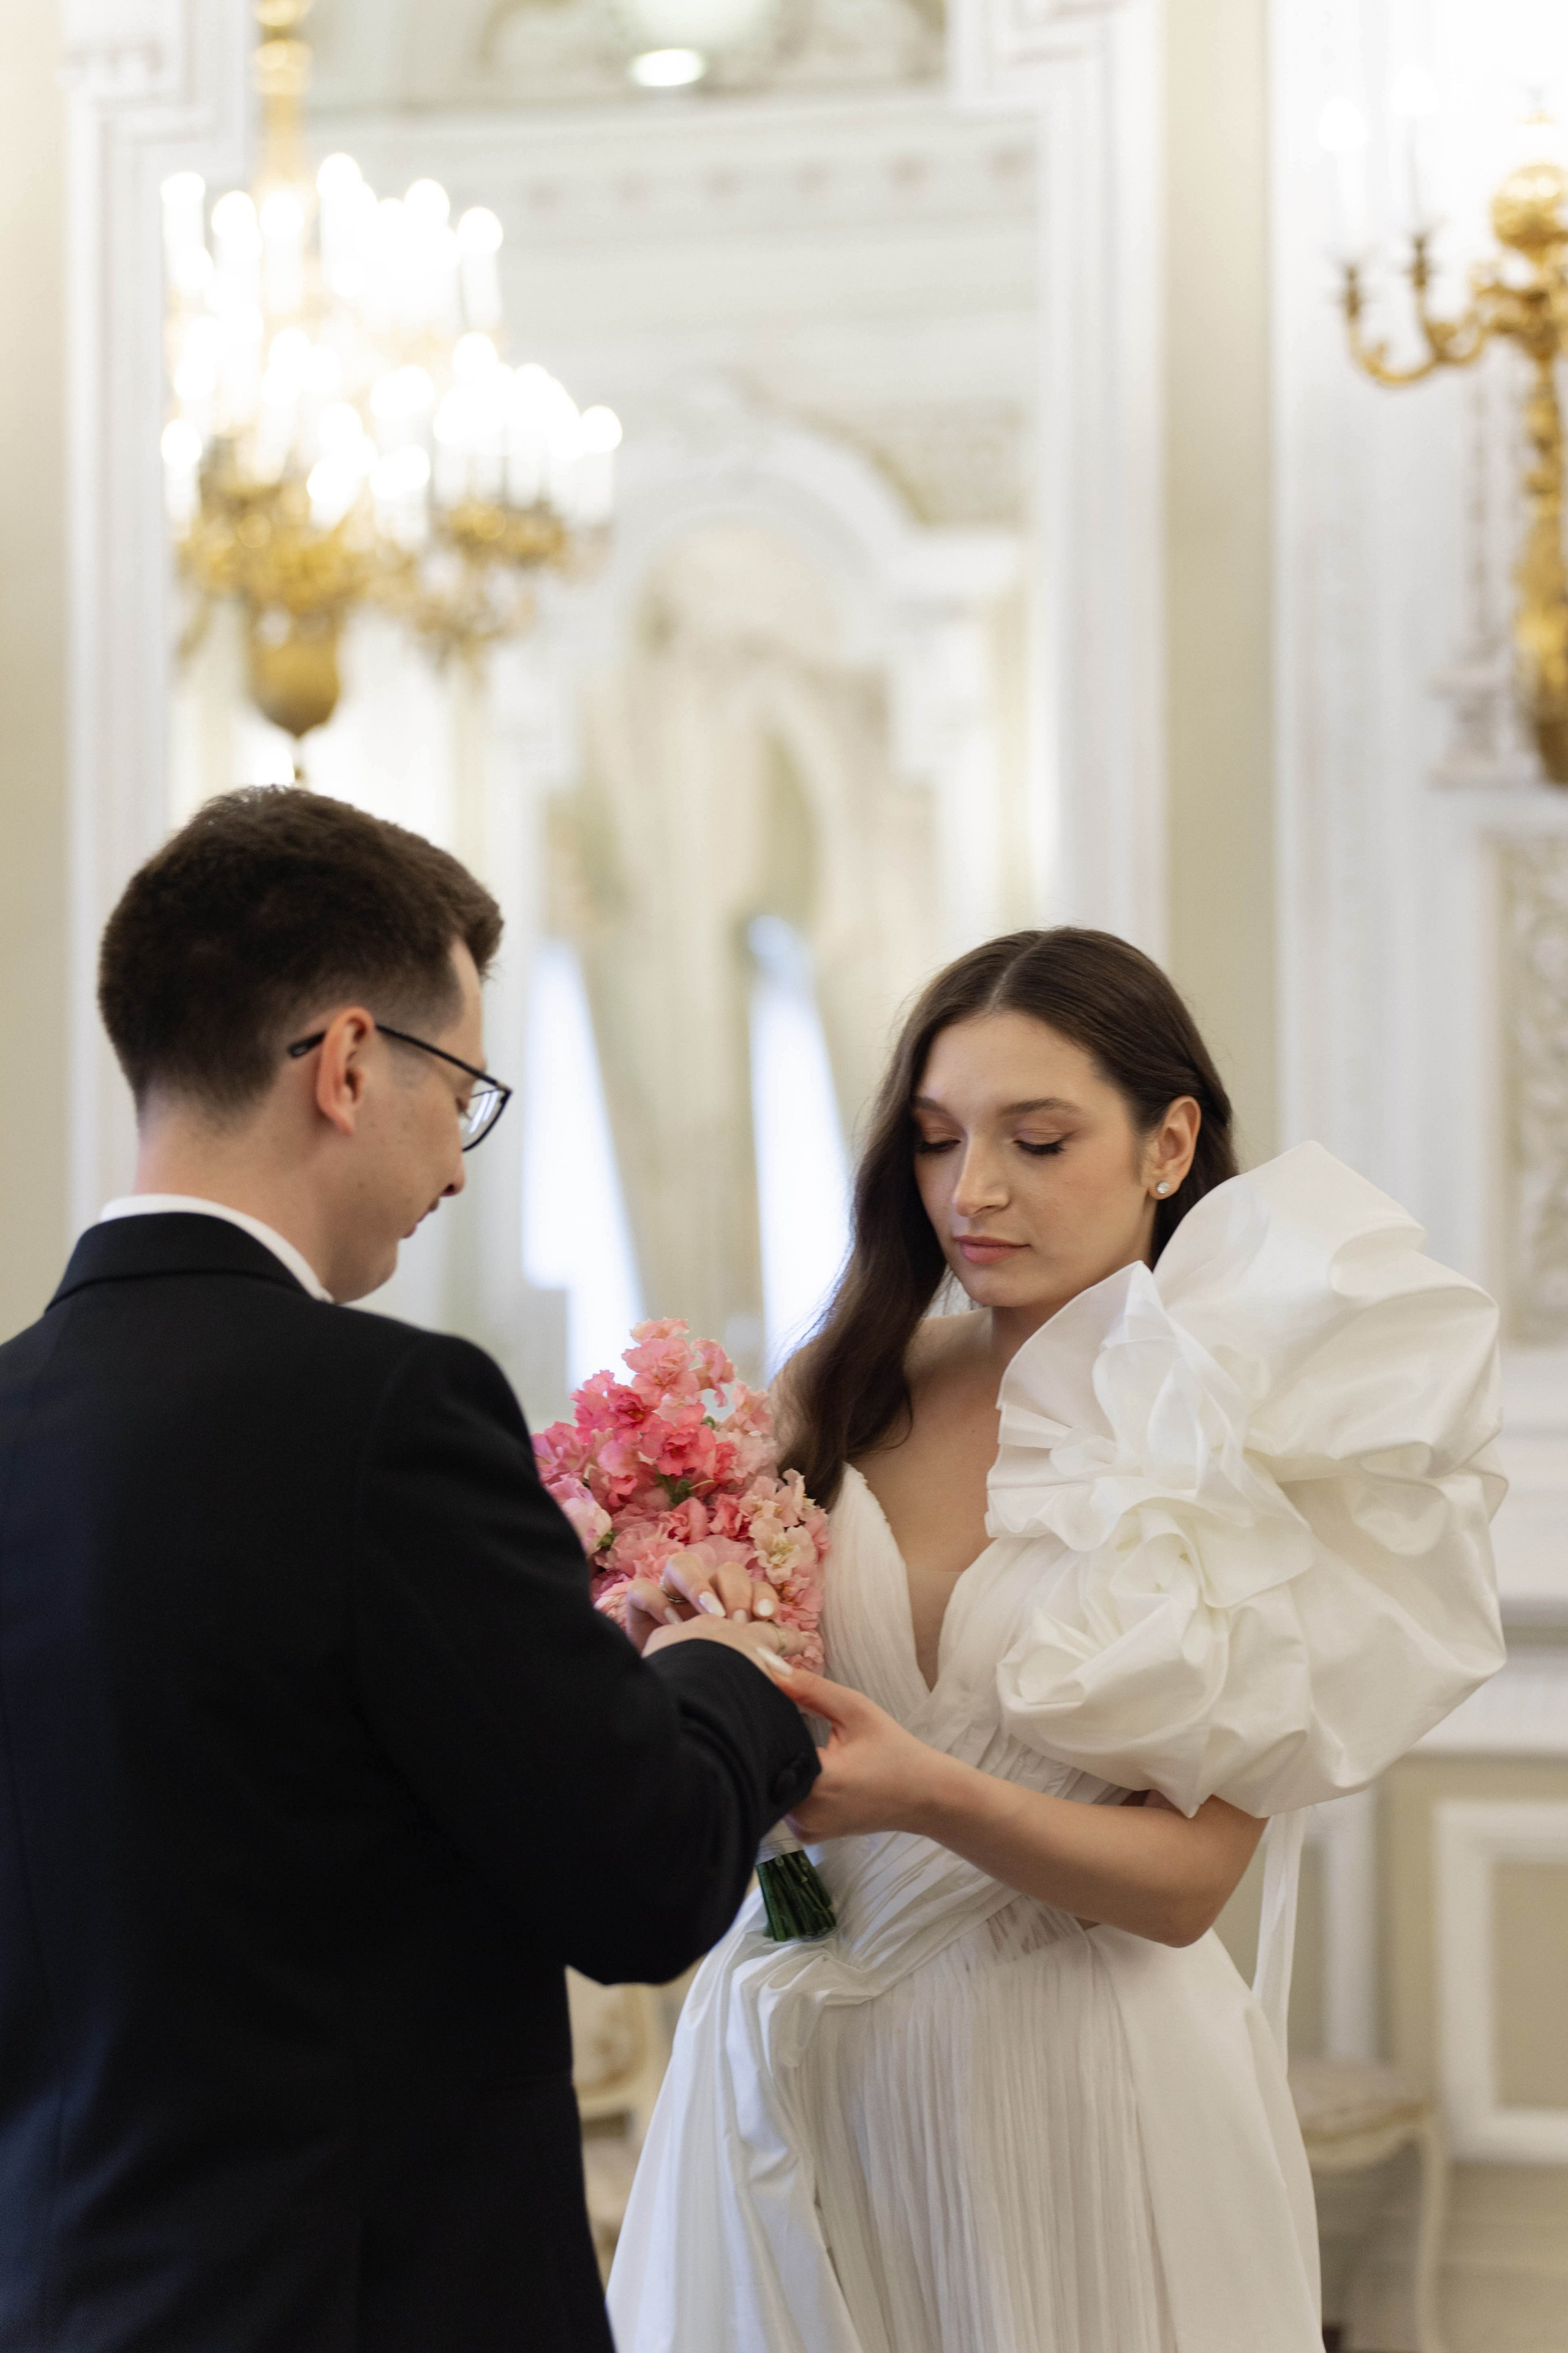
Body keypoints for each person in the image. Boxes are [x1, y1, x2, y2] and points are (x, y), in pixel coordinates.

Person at [0, 785, 819, 2353]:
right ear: (352, 1061)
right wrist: (724, 1664)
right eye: (463, 1089)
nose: (457, 1158)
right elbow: (642, 1880)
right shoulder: (382, 1409)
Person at [608, 927, 1506, 2353]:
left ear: (1169, 1142)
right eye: (934, 1139)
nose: (973, 1191)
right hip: (790, 2071)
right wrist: (670, 1651)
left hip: (1076, 2083)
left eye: (1036, 1140)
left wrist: (925, 1793)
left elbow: (1180, 1887)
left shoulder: (1240, 1430)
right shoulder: (841, 1388)